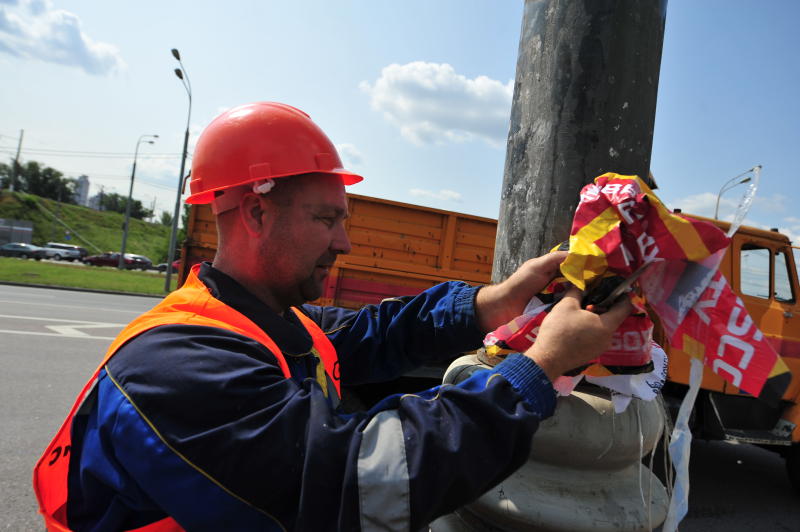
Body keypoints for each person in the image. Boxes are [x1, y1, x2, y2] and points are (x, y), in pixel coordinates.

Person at [34, 102, 633, 532]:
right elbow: (369, 481)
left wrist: (491, 303)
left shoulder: (269, 323)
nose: (344, 243)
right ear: (255, 213)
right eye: (327, 219)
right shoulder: (177, 368)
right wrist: (540, 365)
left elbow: (375, 331)